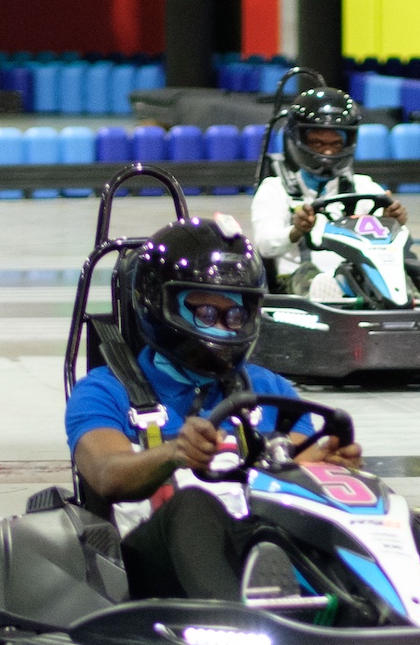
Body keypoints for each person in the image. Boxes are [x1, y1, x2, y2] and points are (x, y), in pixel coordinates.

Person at [66, 215, 362, 602]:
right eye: (206, 313)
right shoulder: (105, 390)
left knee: (365, 502)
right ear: (159, 305)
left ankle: (393, 606)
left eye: (235, 315)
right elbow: (107, 474)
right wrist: (174, 454)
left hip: (256, 543)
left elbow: (301, 467)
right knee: (193, 505)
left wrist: (330, 469)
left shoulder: (269, 388)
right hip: (145, 571)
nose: (223, 329)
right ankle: (244, 619)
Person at [249, 86, 420, 305]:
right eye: (318, 143)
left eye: (335, 144)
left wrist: (392, 222)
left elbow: (394, 244)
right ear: (299, 141)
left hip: (355, 279)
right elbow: (265, 245)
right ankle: (328, 300)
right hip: (299, 282)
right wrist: (296, 231)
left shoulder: (363, 187)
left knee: (404, 264)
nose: (327, 152)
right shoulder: (275, 189)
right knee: (312, 274)